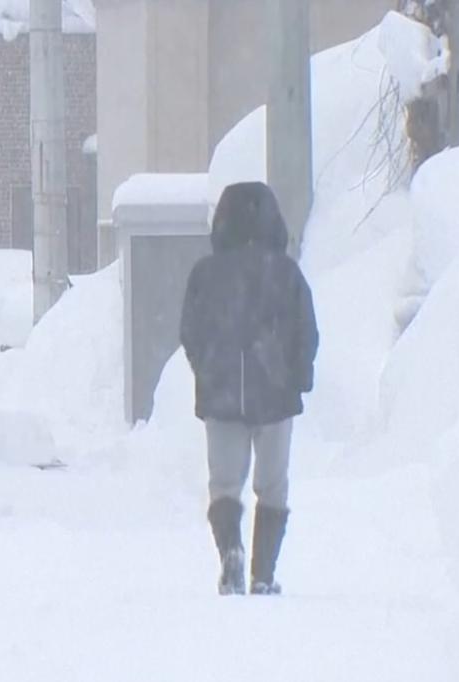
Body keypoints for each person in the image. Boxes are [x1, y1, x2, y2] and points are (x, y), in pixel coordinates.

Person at [179, 181, 319, 596]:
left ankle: (231, 550)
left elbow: (190, 331)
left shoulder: (205, 274)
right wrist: (299, 377)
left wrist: (206, 369)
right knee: (272, 485)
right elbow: (306, 331)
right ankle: (263, 574)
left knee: (224, 483)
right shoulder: (286, 273)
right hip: (275, 393)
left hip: (221, 392)